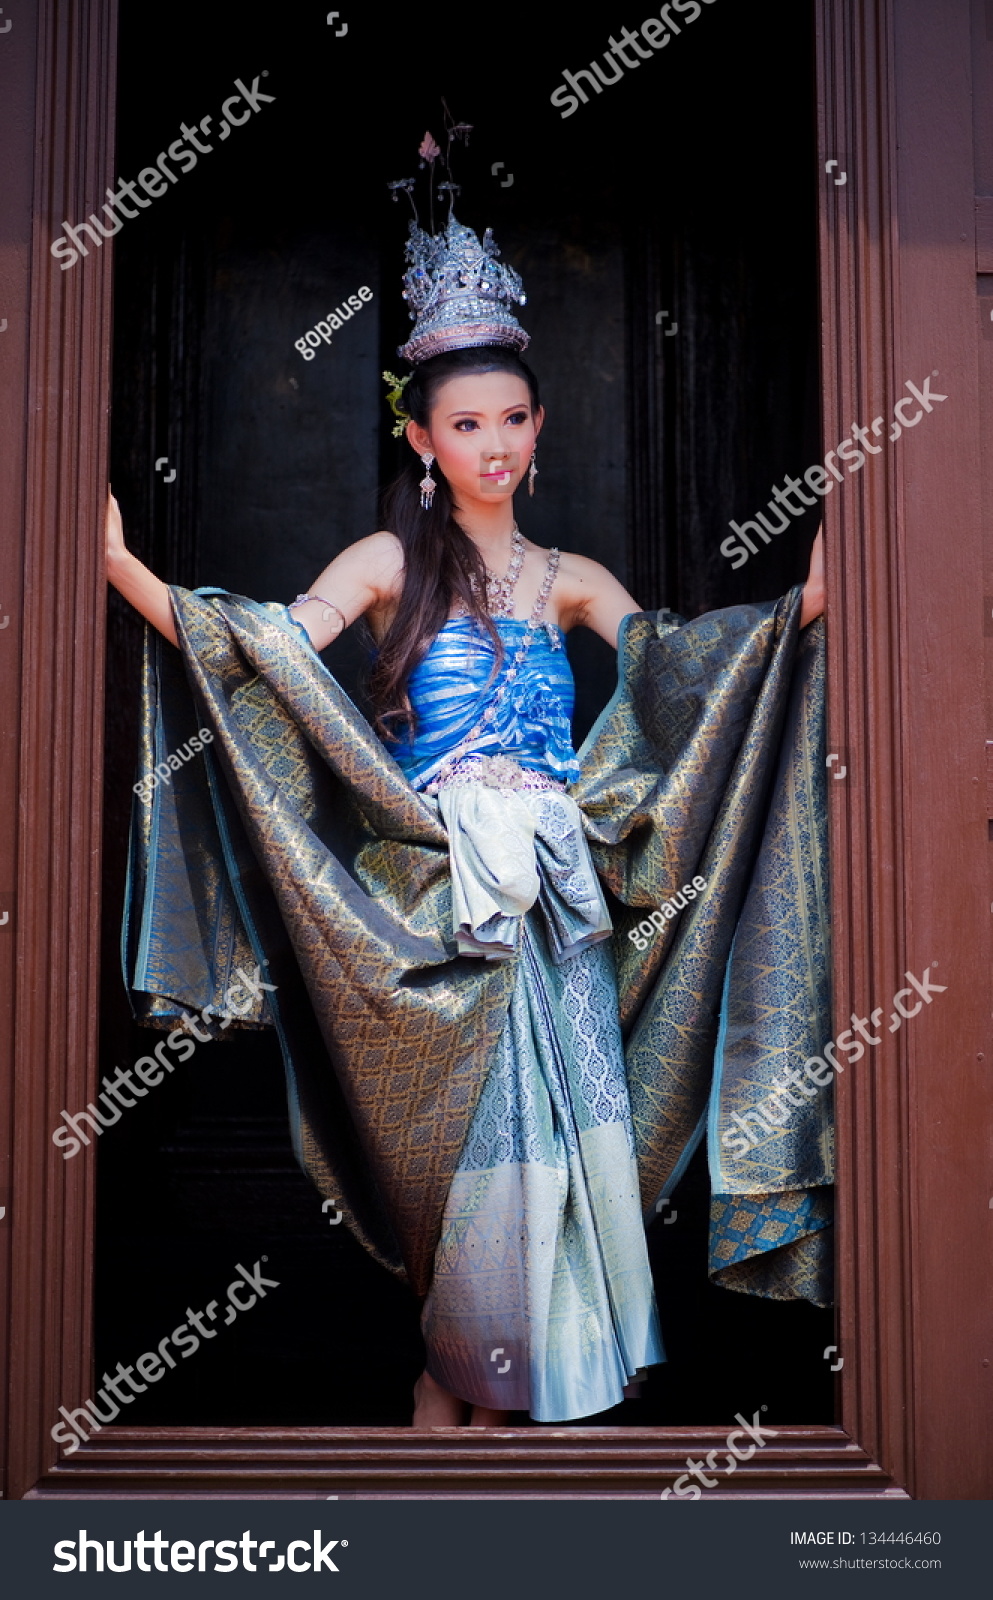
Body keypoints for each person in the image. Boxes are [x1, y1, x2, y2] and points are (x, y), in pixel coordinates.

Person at [107, 203, 828, 1430]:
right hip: (440, 924)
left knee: (556, 1190)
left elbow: (689, 682)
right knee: (476, 1200)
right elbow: (272, 654)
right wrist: (122, 571)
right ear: (422, 437)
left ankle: (480, 1427)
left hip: (556, 922)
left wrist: (804, 605)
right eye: (464, 424)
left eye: (510, 419)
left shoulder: (576, 582)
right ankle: (457, 1399)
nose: (490, 444)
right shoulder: (386, 566)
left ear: (540, 429)